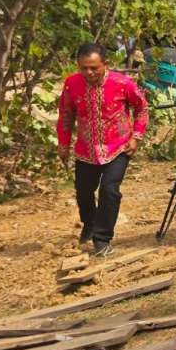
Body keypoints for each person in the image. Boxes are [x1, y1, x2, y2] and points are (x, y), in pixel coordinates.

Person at [56, 43, 148, 257]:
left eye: (94, 68)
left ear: (105, 64)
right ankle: (89, 222)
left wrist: (136, 137)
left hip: (118, 147)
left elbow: (141, 108)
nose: (89, 72)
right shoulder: (72, 84)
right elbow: (66, 115)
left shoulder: (122, 83)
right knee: (83, 192)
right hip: (86, 149)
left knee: (109, 190)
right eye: (84, 68)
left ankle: (102, 238)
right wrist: (63, 144)